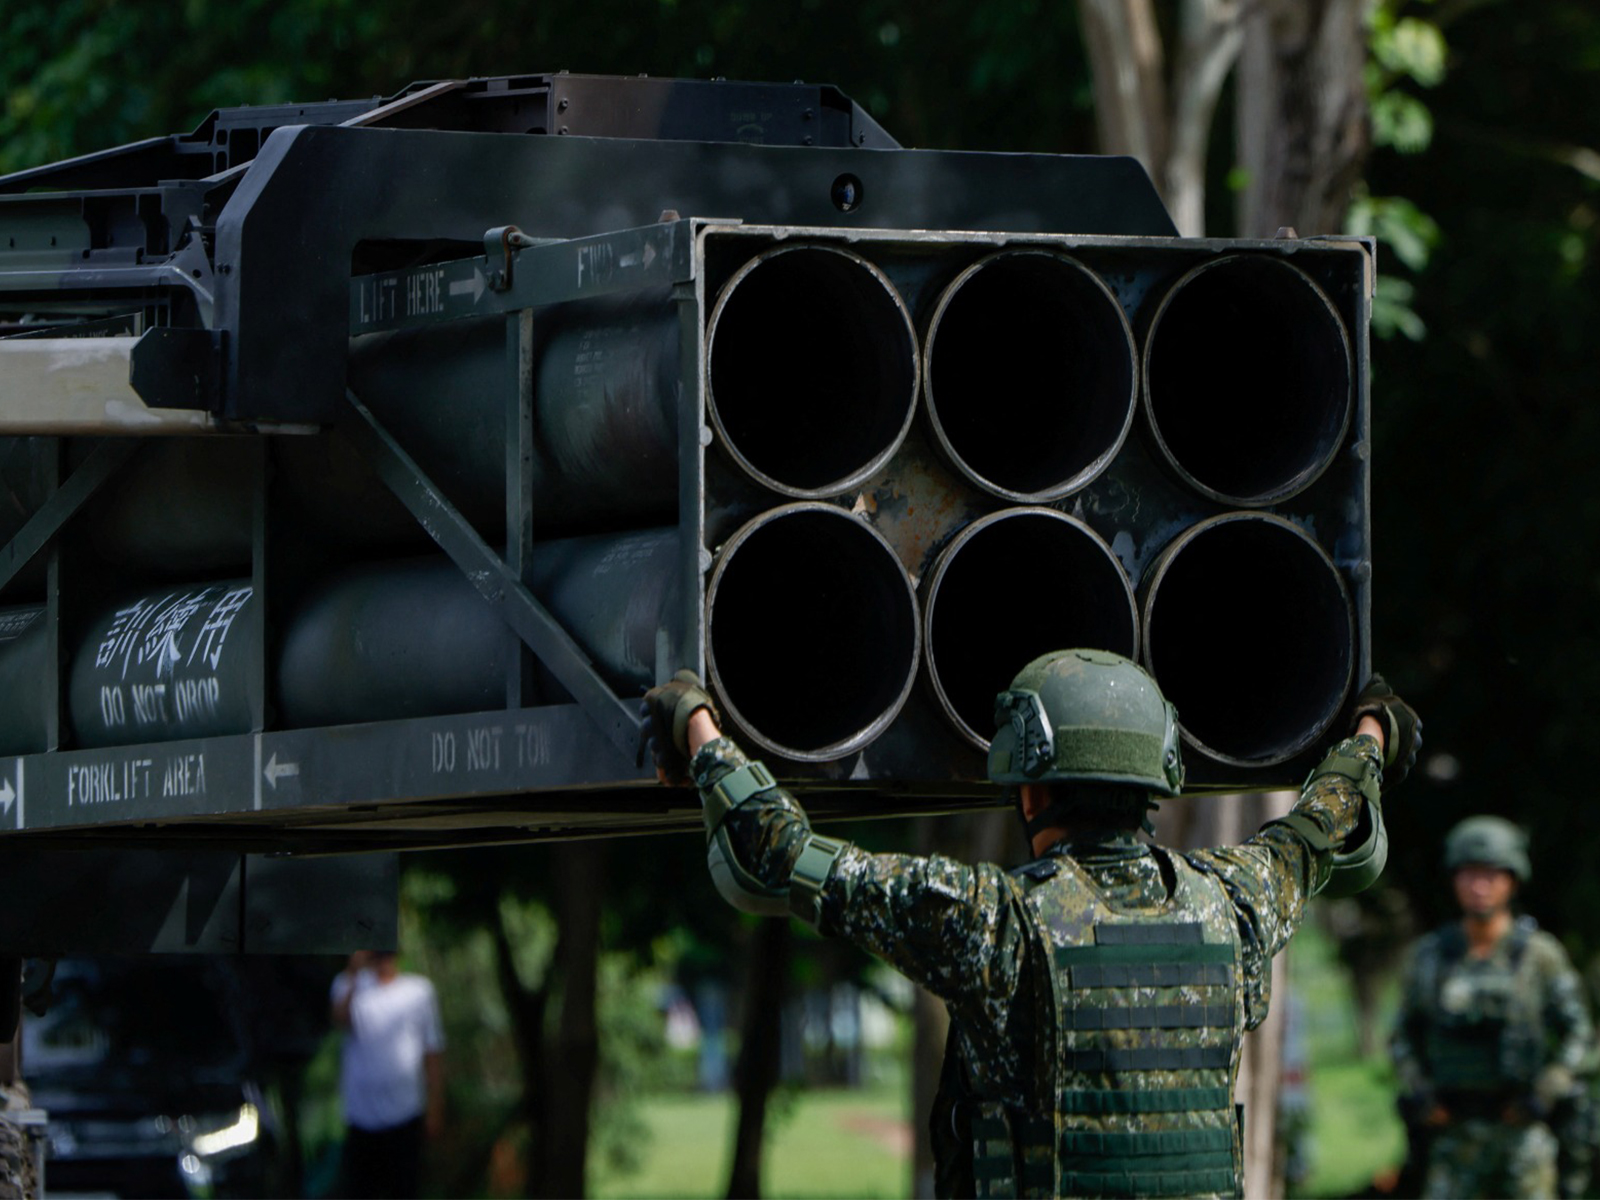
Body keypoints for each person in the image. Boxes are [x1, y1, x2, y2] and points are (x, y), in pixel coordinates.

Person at [643, 649, 1420, 1199]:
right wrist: (1371, 732)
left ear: (1030, 789)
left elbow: (783, 854)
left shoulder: (995, 919)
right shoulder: (1236, 901)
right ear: (1156, 781)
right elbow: (1318, 829)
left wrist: (697, 724)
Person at [1390, 816, 1594, 1200]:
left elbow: (1579, 1033)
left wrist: (1546, 1090)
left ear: (1512, 881)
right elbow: (1403, 1034)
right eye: (1468, 875)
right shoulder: (1431, 956)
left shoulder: (1540, 956)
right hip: (1453, 1136)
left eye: (1490, 875)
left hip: (1523, 1135)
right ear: (1454, 880)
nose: (1478, 887)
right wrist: (1422, 1094)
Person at [330, 950, 445, 1200]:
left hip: (406, 1115)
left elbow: (433, 1052)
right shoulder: (348, 985)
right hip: (362, 1119)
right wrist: (353, 972)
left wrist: (435, 1107)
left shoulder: (419, 991)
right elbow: (340, 1020)